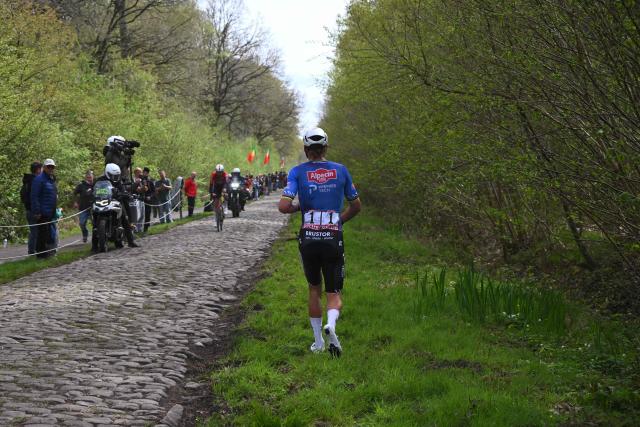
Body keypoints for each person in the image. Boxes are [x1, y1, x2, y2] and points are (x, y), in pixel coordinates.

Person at [278, 127, 361, 357]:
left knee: (314, 288)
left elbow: (283, 206)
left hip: (309, 238)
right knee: (334, 292)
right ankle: (331, 326)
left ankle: (318, 342)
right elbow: (356, 206)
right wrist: (338, 222)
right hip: (333, 237)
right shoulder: (341, 170)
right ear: (326, 148)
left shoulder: (296, 172)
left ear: (306, 150)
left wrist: (298, 207)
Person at [92, 163, 139, 251]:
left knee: (124, 218)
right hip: (101, 201)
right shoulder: (100, 180)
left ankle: (131, 241)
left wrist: (125, 194)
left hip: (115, 201)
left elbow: (123, 190)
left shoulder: (118, 182)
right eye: (112, 175)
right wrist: (92, 193)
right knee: (95, 221)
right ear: (107, 173)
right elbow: (94, 188)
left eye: (116, 175)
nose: (115, 177)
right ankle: (94, 245)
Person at [30, 158, 58, 258]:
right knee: (42, 235)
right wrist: (37, 211)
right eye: (49, 167)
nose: (51, 169)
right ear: (44, 167)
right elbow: (34, 196)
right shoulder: (39, 179)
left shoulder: (51, 179)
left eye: (52, 167)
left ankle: (48, 254)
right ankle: (41, 256)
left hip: (50, 212)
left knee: (49, 235)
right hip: (42, 212)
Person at [21, 161, 42, 254]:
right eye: (41, 169)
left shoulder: (26, 181)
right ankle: (34, 251)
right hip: (34, 210)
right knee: (36, 232)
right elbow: (36, 196)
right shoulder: (35, 181)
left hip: (28, 209)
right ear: (38, 170)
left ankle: (32, 250)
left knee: (33, 231)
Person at [73, 170, 94, 243]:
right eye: (88, 177)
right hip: (83, 207)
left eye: (91, 177)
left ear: (93, 177)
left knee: (95, 223)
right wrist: (75, 202)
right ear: (86, 178)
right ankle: (85, 235)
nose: (89, 179)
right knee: (82, 223)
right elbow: (75, 193)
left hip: (94, 207)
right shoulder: (81, 185)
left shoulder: (96, 184)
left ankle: (97, 236)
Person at [141, 167, 156, 233]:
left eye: (146, 173)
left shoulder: (150, 181)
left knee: (147, 214)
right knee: (141, 214)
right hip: (141, 199)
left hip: (148, 199)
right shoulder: (140, 180)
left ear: (148, 173)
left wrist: (150, 196)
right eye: (144, 172)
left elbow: (154, 191)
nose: (145, 174)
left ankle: (146, 228)